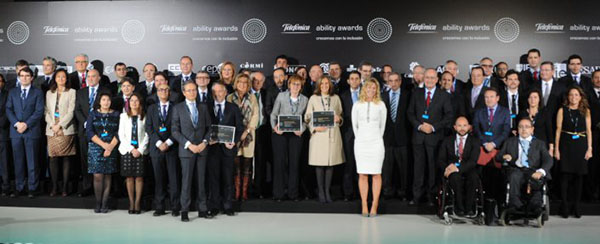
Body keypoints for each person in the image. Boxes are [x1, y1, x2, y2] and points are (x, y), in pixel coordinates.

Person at [407, 68, 453, 206]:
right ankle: (416, 197)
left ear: (437, 80)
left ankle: (431, 198)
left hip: (435, 138)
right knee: (418, 169)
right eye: (427, 77)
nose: (430, 80)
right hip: (418, 137)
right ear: (423, 78)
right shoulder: (416, 93)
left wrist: (433, 127)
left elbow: (449, 116)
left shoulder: (444, 95)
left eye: (433, 78)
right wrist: (420, 126)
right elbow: (410, 113)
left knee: (433, 169)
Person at [171, 81, 213, 222]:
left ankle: (202, 209)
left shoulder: (203, 107)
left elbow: (209, 128)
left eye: (194, 90)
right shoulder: (178, 108)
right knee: (186, 181)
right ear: (184, 92)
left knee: (201, 181)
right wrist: (189, 145)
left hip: (202, 149)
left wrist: (204, 143)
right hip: (187, 151)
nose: (192, 92)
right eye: (189, 90)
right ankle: (184, 210)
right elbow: (175, 131)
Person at [497, 118, 553, 214]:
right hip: (517, 169)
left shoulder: (539, 144)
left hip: (533, 170)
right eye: (521, 127)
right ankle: (515, 205)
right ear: (517, 129)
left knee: (536, 179)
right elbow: (498, 157)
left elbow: (548, 160)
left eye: (527, 127)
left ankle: (535, 206)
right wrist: (504, 156)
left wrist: (541, 171)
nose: (524, 129)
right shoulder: (510, 141)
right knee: (514, 176)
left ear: (532, 129)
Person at [305, 76, 344, 203]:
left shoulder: (336, 98)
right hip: (319, 135)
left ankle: (327, 191)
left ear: (330, 85)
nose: (325, 86)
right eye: (322, 84)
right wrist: (315, 128)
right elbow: (307, 118)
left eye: (327, 83)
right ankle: (321, 192)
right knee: (320, 164)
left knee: (330, 164)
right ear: (318, 86)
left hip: (332, 134)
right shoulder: (313, 98)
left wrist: (339, 119)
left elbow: (340, 115)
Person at [6, 67, 44, 198]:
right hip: (16, 132)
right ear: (18, 77)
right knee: (18, 161)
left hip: (31, 131)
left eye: (27, 76)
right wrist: (17, 124)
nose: (24, 78)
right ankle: (19, 187)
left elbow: (39, 111)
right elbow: (8, 110)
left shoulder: (38, 93)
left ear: (32, 77)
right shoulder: (12, 92)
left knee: (32, 161)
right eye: (22, 75)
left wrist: (26, 124)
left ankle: (33, 188)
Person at [555, 86, 593, 218]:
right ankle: (565, 205)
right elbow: (558, 130)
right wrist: (556, 149)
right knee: (565, 176)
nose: (573, 98)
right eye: (571, 95)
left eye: (576, 95)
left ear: (580, 97)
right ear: (568, 97)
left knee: (579, 177)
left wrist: (589, 148)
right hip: (566, 144)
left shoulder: (586, 111)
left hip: (581, 144)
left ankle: (577, 205)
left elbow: (589, 131)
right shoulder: (562, 110)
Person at [270, 75, 308, 202]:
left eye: (298, 84)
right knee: (279, 163)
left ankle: (293, 194)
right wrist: (274, 127)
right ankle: (278, 194)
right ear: (289, 85)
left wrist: (301, 129)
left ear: (301, 86)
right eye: (293, 84)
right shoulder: (281, 96)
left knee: (294, 163)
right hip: (280, 134)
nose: (296, 86)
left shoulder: (305, 99)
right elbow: (274, 114)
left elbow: (306, 119)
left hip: (296, 135)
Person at [208, 82, 244, 216]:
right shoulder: (207, 107)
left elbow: (240, 127)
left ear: (225, 92)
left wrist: (234, 141)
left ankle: (228, 206)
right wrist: (207, 139)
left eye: (220, 91)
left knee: (228, 178)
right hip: (212, 149)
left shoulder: (233, 108)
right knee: (214, 178)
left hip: (228, 149)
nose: (218, 94)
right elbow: (204, 127)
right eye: (215, 91)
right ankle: (215, 206)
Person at [352, 78, 387, 216]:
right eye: (368, 87)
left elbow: (382, 126)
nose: (371, 90)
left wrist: (375, 138)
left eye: (374, 88)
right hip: (361, 143)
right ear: (364, 89)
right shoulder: (357, 105)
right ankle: (364, 204)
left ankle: (375, 204)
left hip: (376, 143)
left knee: (377, 174)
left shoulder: (381, 105)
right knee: (362, 174)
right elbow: (355, 125)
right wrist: (361, 138)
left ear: (377, 90)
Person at [146, 83, 180, 217]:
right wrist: (159, 143)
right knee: (158, 179)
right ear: (157, 92)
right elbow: (149, 128)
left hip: (172, 148)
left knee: (174, 179)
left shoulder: (176, 108)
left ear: (170, 92)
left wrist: (169, 142)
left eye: (166, 89)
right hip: (156, 148)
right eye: (161, 90)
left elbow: (178, 127)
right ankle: (159, 207)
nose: (163, 92)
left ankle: (175, 207)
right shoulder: (151, 108)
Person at [472, 88, 510, 207]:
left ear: (497, 98)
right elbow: (477, 129)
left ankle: (497, 203)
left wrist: (493, 144)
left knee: (497, 178)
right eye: (486, 97)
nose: (488, 99)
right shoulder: (479, 112)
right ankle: (483, 202)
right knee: (483, 176)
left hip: (497, 149)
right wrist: (485, 143)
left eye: (491, 97)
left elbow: (506, 131)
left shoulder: (505, 112)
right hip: (483, 149)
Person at [438, 116, 481, 217]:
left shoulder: (475, 141)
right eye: (459, 125)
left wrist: (458, 168)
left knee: (473, 177)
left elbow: (473, 161)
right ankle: (459, 208)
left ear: (469, 127)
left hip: (468, 168)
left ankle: (469, 208)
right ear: (455, 127)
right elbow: (440, 159)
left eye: (465, 125)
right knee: (455, 177)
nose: (462, 128)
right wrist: (447, 169)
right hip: (451, 169)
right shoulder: (447, 140)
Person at [226, 74, 258, 201]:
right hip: (234, 135)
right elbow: (227, 115)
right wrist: (238, 133)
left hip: (249, 135)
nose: (243, 85)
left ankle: (245, 192)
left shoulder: (252, 97)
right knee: (236, 164)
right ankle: (236, 191)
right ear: (236, 83)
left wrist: (247, 130)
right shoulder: (229, 97)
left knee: (247, 164)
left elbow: (256, 116)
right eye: (240, 82)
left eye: (245, 83)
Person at [44, 69, 76, 197]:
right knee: (53, 158)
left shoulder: (72, 92)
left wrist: (61, 125)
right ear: (55, 78)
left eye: (63, 77)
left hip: (66, 128)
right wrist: (53, 125)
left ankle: (65, 187)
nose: (61, 79)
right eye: (58, 77)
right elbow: (46, 111)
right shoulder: (49, 93)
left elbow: (71, 111)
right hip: (52, 129)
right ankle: (55, 186)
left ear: (67, 79)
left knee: (66, 158)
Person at [86, 91, 120, 213]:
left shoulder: (117, 114)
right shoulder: (93, 114)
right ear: (99, 101)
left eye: (108, 100)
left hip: (112, 147)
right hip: (96, 147)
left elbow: (119, 132)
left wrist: (110, 146)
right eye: (104, 100)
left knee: (107, 175)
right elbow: (89, 132)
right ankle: (98, 203)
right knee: (98, 175)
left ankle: (105, 204)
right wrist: (103, 145)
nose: (106, 102)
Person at [74, 69, 106, 197]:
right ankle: (87, 187)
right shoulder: (80, 92)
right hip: (84, 131)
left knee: (100, 159)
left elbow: (106, 109)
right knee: (85, 160)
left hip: (100, 132)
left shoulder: (105, 91)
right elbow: (77, 110)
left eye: (94, 76)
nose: (91, 79)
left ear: (99, 78)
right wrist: (87, 123)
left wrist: (94, 123)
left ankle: (101, 188)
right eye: (89, 76)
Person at [381, 72, 411, 200]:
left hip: (402, 138)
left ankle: (403, 192)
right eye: (390, 81)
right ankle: (387, 191)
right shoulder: (382, 97)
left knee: (403, 168)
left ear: (400, 82)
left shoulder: (408, 96)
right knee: (387, 168)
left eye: (396, 81)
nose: (393, 83)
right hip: (386, 138)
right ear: (388, 82)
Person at [118, 93, 149, 214]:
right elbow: (122, 135)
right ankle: (131, 202)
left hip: (141, 151)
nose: (134, 103)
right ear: (128, 103)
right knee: (129, 177)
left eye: (136, 101)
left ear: (140, 103)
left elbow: (147, 134)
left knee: (139, 178)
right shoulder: (123, 116)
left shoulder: (144, 116)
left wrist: (140, 149)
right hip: (127, 150)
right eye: (132, 101)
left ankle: (137, 203)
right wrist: (131, 149)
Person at [339, 71, 361, 201]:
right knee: (348, 165)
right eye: (351, 79)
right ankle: (347, 193)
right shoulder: (343, 96)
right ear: (348, 81)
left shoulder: (366, 95)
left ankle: (360, 193)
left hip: (363, 134)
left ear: (360, 80)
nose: (354, 81)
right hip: (347, 134)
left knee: (361, 165)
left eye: (356, 78)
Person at [250, 71, 270, 199]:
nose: (258, 83)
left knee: (261, 161)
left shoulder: (266, 93)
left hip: (262, 130)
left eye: (260, 81)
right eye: (255, 80)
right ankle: (246, 189)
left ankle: (259, 189)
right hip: (248, 130)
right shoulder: (245, 94)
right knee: (246, 161)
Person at [499, 70, 527, 135]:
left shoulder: (525, 96)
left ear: (519, 81)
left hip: (522, 130)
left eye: (515, 79)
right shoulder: (500, 97)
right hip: (504, 131)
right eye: (510, 79)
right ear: (505, 81)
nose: (513, 82)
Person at [0, 74, 9, 196]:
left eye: (0, 81)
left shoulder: (8, 94)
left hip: (3, 132)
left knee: (4, 162)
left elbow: (8, 111)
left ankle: (6, 186)